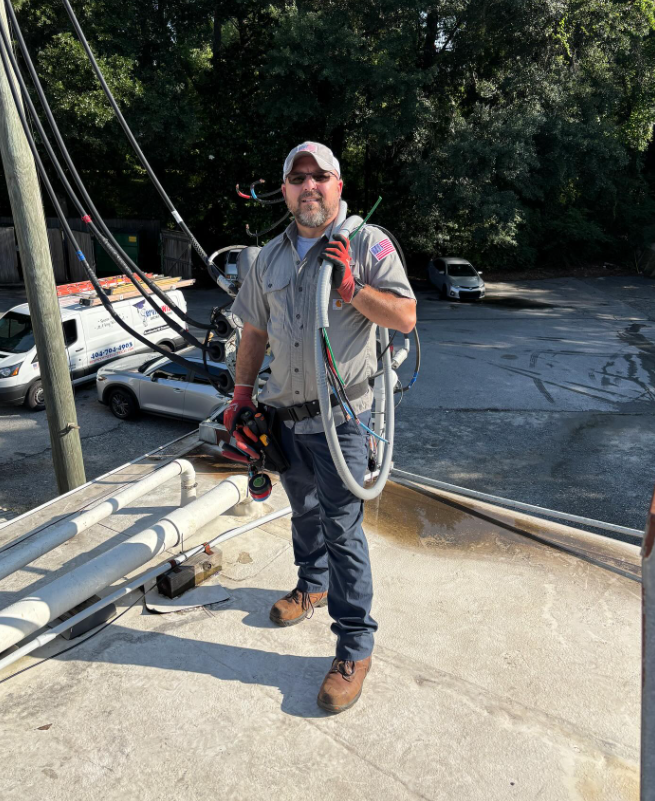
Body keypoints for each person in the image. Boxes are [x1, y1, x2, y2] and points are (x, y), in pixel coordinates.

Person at [226, 141, 416, 713]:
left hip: (343, 421)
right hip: (285, 419)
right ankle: (311, 585)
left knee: (342, 527)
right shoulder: (269, 258)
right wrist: (240, 397)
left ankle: (354, 645)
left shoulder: (367, 243)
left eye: (320, 176)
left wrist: (353, 291)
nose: (309, 186)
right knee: (303, 511)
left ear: (338, 185)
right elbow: (254, 332)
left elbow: (405, 317)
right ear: (283, 189)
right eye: (297, 177)